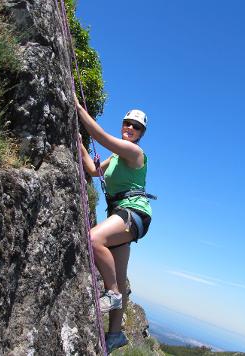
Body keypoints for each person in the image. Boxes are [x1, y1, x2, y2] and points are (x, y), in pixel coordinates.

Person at [74, 95, 152, 354]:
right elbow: (92, 169)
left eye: (135, 127)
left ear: (141, 134)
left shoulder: (134, 152)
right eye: (127, 123)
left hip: (133, 213)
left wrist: (76, 105)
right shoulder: (115, 158)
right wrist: (78, 141)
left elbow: (102, 136)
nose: (129, 128)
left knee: (94, 239)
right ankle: (116, 335)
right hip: (121, 215)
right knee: (119, 274)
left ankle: (112, 293)